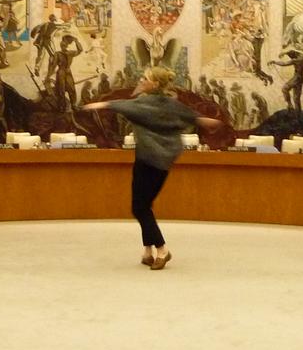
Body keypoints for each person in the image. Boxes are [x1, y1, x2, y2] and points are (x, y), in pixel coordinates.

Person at [83, 66, 221, 271]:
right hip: (160, 159)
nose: (141, 80)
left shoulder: (145, 104)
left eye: (145, 78)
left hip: (149, 159)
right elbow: (188, 115)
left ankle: (162, 249)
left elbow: (126, 106)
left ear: (155, 84)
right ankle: (147, 251)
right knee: (144, 205)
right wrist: (203, 120)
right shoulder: (171, 104)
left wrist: (104, 104)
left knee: (139, 207)